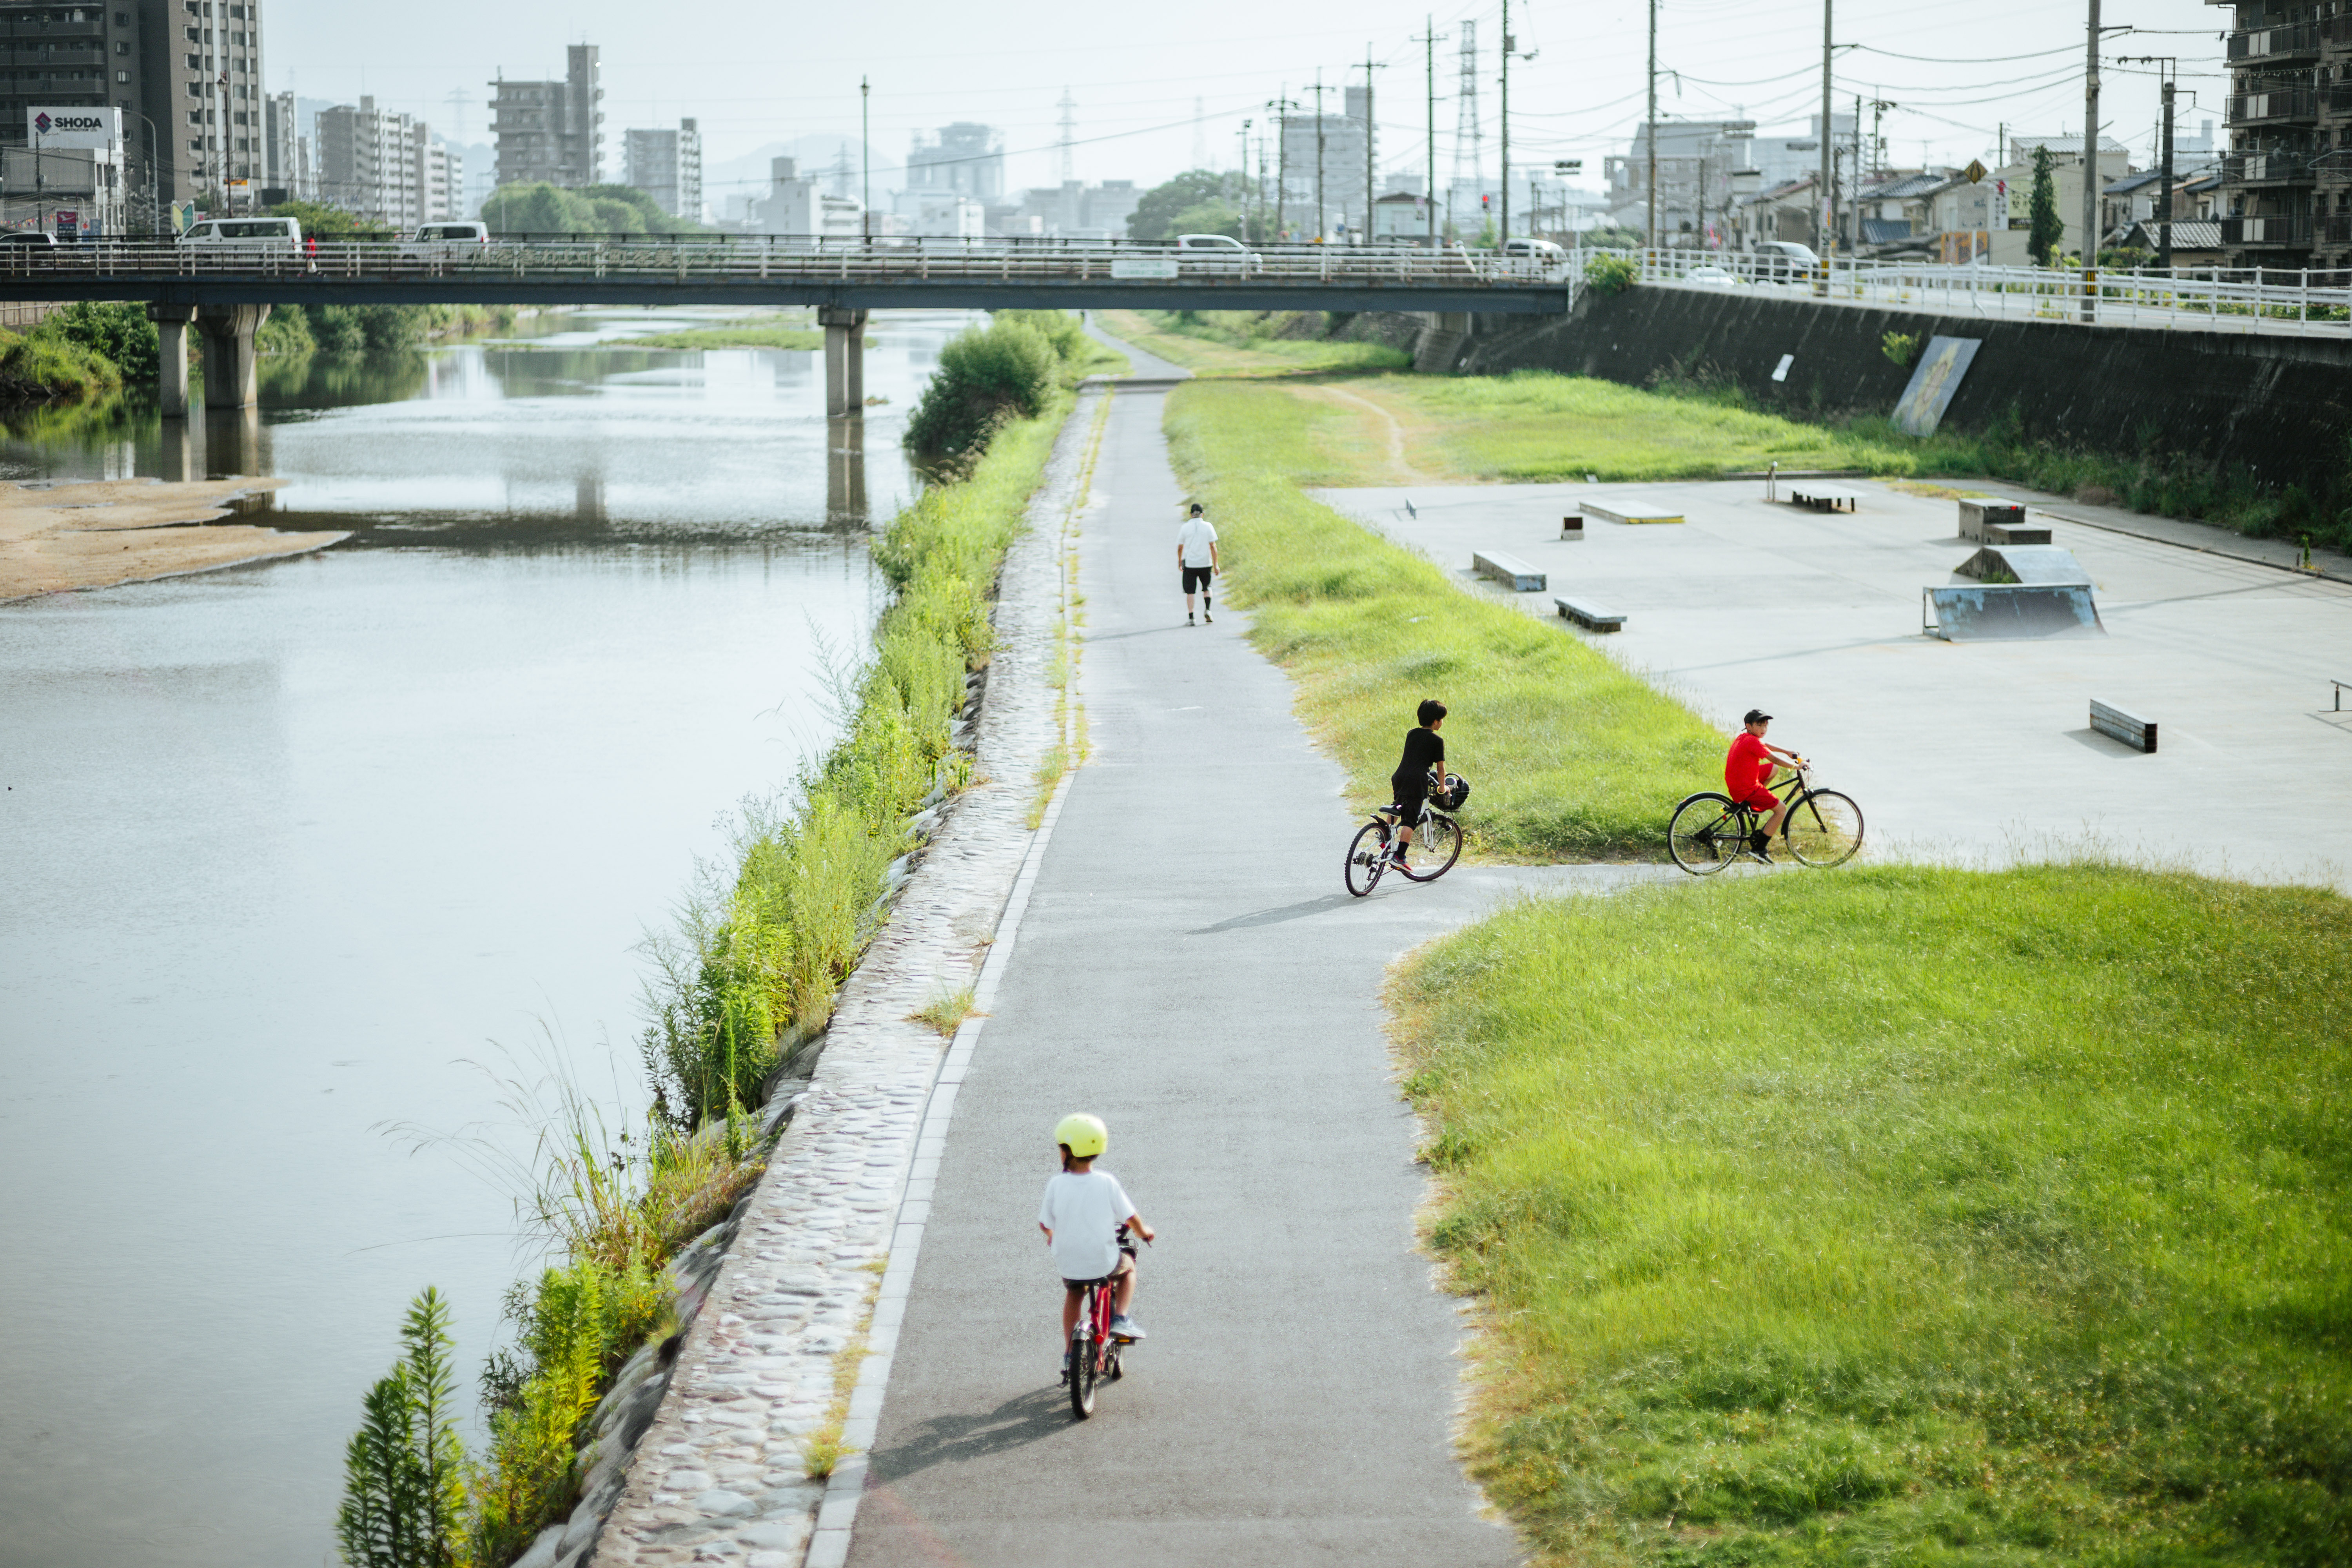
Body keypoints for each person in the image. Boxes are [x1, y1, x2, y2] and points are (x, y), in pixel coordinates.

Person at [1039, 1112, 1155, 1372]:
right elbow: (1131, 1217)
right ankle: (1121, 1318)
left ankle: (1070, 1354)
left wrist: (1053, 1237)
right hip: (1104, 1263)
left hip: (1068, 1263)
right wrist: (1144, 1232)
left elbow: (1046, 1225)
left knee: (1074, 1294)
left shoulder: (1056, 1184)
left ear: (1067, 1152)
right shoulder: (1107, 1182)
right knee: (1128, 1269)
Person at [1724, 708, 1806, 862]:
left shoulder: (1745, 737)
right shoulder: (1752, 741)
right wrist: (1796, 767)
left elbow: (1766, 745)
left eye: (1766, 726)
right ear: (1749, 726)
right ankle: (1759, 849)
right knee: (1781, 810)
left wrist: (1787, 751)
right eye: (1760, 725)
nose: (1764, 729)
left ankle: (1754, 805)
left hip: (1739, 782)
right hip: (1746, 788)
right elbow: (1774, 759)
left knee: (1772, 770)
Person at [1387, 698, 1448, 866]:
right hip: (1416, 781)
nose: (1442, 722)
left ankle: (1385, 838)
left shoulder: (1411, 734)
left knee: (1398, 806)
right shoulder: (1437, 741)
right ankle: (1399, 857)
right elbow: (1440, 768)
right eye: (1441, 720)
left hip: (1400, 777)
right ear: (1436, 722)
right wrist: (1443, 788)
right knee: (1410, 820)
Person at [1175, 502, 1218, 625]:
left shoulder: (1185, 527)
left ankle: (1191, 617)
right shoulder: (1208, 526)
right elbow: (1213, 546)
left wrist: (1179, 561)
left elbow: (1180, 547)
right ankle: (1208, 610)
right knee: (1207, 588)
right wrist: (1216, 565)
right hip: (1206, 563)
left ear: (1191, 514)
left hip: (1190, 564)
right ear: (1202, 514)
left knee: (1190, 592)